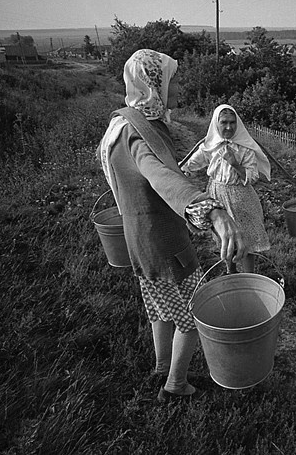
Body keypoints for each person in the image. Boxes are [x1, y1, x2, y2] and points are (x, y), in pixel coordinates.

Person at [98, 49, 246, 403]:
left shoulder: (127, 123)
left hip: (140, 240)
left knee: (160, 307)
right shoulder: (137, 134)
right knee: (195, 313)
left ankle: (162, 366)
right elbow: (159, 175)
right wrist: (211, 211)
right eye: (173, 80)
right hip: (165, 242)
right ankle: (176, 385)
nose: (178, 86)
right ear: (154, 84)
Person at [182, 104, 271, 273]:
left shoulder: (245, 147)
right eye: (224, 122)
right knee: (225, 236)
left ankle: (249, 275)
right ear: (216, 123)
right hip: (218, 196)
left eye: (232, 122)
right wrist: (182, 170)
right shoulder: (210, 146)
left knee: (248, 237)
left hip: (242, 197)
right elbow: (191, 164)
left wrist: (235, 163)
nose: (229, 127)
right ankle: (231, 271)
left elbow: (252, 177)